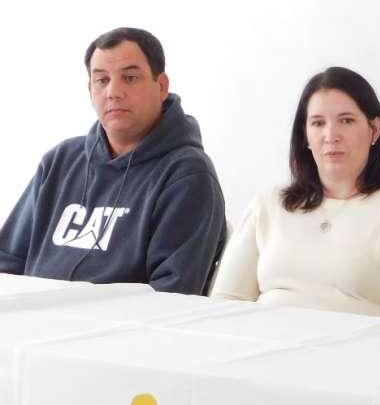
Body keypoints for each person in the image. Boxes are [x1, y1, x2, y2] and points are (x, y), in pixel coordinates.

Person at [210, 66, 380, 320]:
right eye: (318, 123)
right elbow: (224, 305)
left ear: (375, 129)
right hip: (262, 342)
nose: (331, 136)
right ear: (305, 134)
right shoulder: (268, 205)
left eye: (346, 121)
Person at [0, 27, 225, 294]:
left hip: (121, 321)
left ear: (162, 86)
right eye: (102, 80)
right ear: (90, 89)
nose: (113, 92)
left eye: (130, 78)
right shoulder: (60, 161)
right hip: (32, 315)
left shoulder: (188, 175)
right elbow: (7, 261)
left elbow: (173, 294)